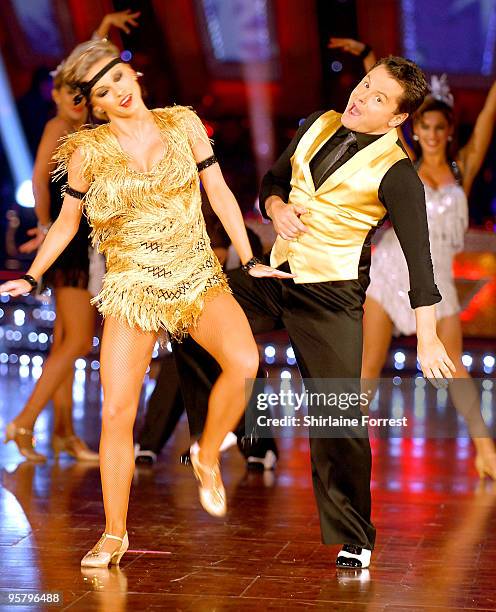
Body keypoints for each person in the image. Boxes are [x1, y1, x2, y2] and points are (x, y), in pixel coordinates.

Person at [0, 39, 292, 568]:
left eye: (119, 79)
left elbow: (220, 194)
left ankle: (206, 452)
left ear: (133, 76)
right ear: (96, 105)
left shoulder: (182, 125)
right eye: (104, 91)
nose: (118, 92)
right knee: (116, 412)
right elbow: (68, 223)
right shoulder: (87, 151)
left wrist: (249, 258)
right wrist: (35, 276)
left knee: (245, 362)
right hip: (131, 287)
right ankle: (114, 534)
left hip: (196, 277)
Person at [173, 56, 456, 570]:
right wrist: (276, 208)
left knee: (336, 417)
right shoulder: (319, 122)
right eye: (365, 85)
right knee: (190, 313)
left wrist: (427, 334)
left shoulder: (397, 172)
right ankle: (223, 431)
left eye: (376, 98)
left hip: (330, 296)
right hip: (275, 275)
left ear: (396, 118)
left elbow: (421, 258)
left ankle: (356, 536)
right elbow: (271, 183)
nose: (360, 97)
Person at [331, 38, 496, 479]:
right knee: (367, 367)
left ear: (448, 131)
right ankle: (346, 457)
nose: (433, 134)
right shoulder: (403, 161)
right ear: (416, 130)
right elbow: (387, 108)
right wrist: (368, 59)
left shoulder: (463, 167)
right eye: (426, 127)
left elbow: (486, 122)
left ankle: (486, 452)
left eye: (441, 128)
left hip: (435, 276)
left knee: (454, 366)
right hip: (391, 268)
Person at [4, 10, 141, 464]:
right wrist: (43, 227)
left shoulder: (84, 129)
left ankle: (61, 432)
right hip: (71, 248)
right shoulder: (57, 128)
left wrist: (102, 29)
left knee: (67, 342)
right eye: (71, 93)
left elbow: (90, 63)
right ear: (59, 95)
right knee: (78, 342)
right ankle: (23, 423)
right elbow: (41, 183)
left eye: (82, 95)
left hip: (83, 244)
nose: (77, 101)